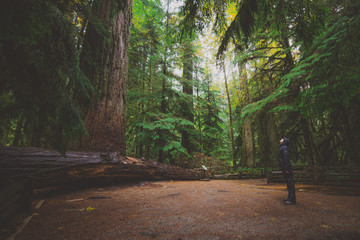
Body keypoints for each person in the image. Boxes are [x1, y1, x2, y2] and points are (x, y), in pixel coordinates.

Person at [278, 137, 296, 205]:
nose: (281, 139)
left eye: (282, 139)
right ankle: (289, 197)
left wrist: (286, 169)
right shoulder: (283, 147)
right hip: (285, 168)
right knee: (288, 183)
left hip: (287, 168)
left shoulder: (284, 148)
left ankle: (292, 199)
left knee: (290, 183)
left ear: (284, 141)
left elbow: (286, 159)